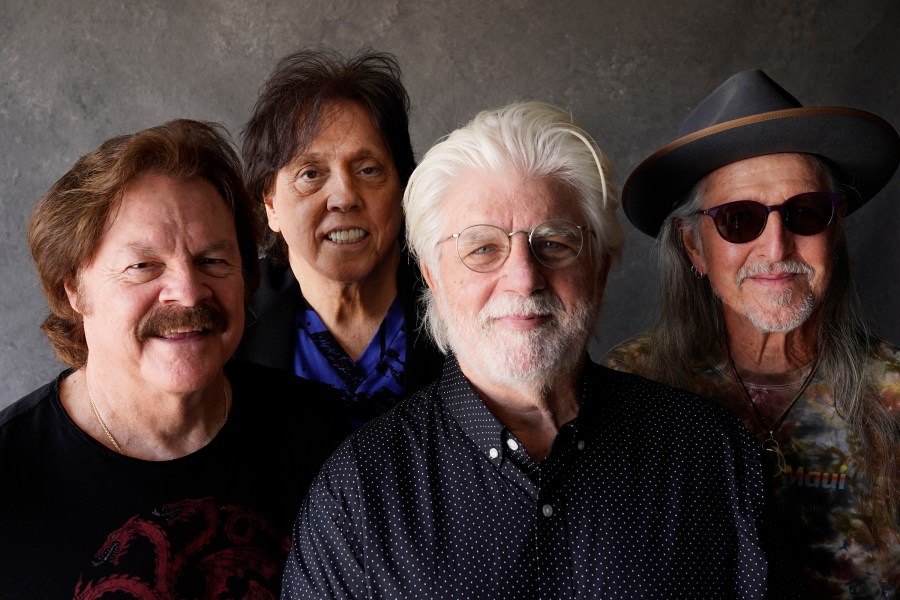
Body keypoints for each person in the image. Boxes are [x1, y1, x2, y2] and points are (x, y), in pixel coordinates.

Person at [282, 102, 770, 599]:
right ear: (433, 277)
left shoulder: (711, 455)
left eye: (554, 243)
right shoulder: (358, 495)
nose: (523, 278)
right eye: (483, 248)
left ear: (599, 273)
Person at [0, 119, 347, 598]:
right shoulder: (9, 479)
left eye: (212, 260)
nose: (187, 292)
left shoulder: (332, 443)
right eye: (144, 266)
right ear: (74, 289)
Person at [604, 69, 900, 597]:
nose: (777, 248)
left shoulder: (895, 397)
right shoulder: (629, 388)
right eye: (740, 220)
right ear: (694, 247)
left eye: (805, 213)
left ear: (834, 233)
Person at [237, 47, 443, 428]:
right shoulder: (229, 322)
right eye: (311, 174)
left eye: (368, 169)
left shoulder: (459, 302)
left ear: (402, 187)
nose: (345, 196)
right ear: (271, 205)